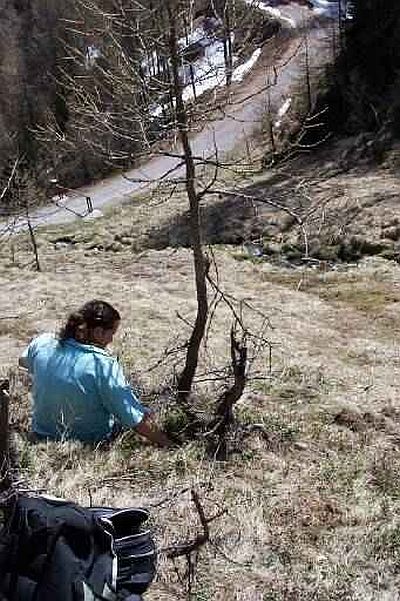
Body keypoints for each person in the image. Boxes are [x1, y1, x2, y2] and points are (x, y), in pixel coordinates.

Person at [19, 300, 171, 447]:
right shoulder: (103, 365)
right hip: (87, 442)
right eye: (112, 333)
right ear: (98, 332)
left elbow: (23, 362)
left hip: (41, 435)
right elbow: (134, 418)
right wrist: (168, 444)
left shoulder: (43, 342)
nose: (111, 339)